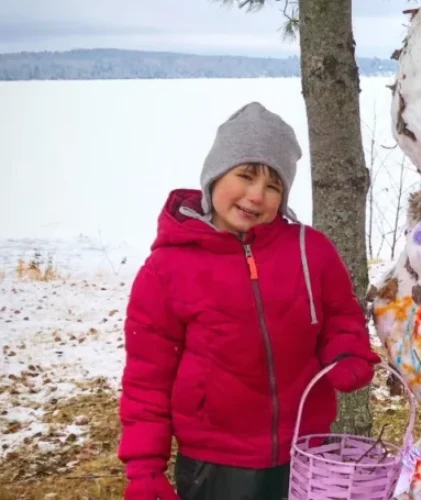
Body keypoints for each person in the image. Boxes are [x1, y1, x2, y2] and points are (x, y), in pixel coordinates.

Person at [117, 102, 380, 500]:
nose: (256, 196)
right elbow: (146, 381)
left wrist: (347, 352)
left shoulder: (311, 250)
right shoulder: (166, 269)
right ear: (215, 174)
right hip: (216, 463)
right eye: (246, 175)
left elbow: (341, 317)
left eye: (273, 185)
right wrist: (144, 470)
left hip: (306, 452)